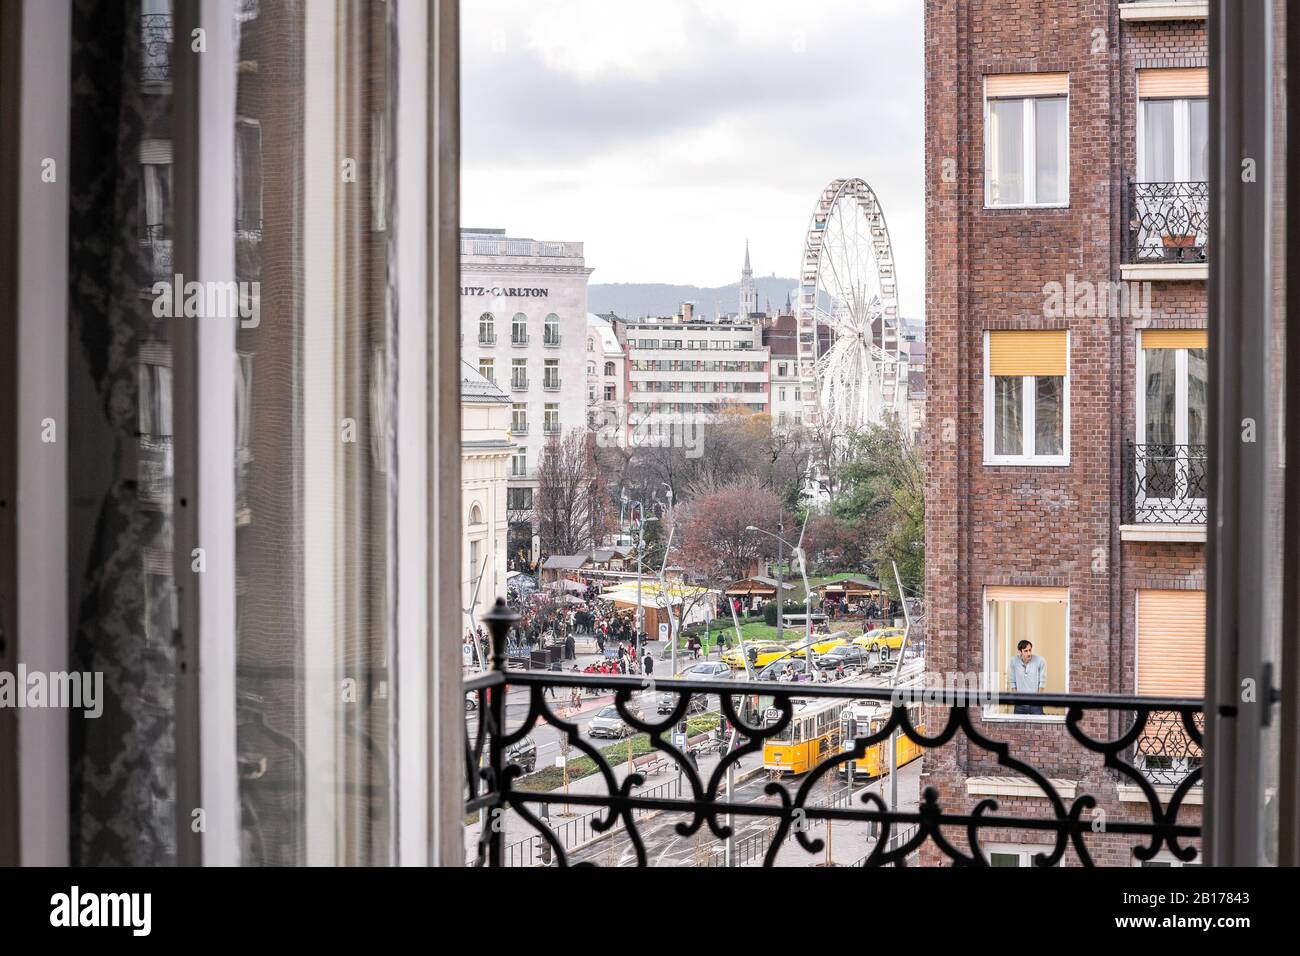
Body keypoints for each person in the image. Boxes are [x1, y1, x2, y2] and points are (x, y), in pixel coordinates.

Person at [1007, 640, 1046, 715]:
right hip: (1020, 704)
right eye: (1026, 651)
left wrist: (1037, 700)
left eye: (1030, 650)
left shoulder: (1040, 661)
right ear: (1020, 651)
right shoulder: (1013, 661)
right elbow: (1012, 682)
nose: (1029, 653)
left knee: (1038, 726)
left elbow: (1042, 683)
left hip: (1035, 704)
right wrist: (1017, 699)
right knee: (1017, 726)